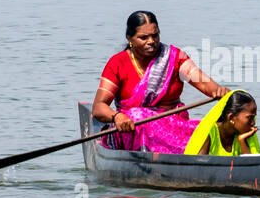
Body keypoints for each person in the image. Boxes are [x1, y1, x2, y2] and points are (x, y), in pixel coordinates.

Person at [91, 11, 228, 152]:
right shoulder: (118, 63)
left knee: (214, 129)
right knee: (138, 117)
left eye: (155, 35)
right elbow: (98, 108)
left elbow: (206, 84)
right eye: (143, 37)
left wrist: (220, 92)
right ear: (130, 39)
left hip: (175, 128)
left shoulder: (174, 57)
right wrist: (117, 117)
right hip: (132, 128)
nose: (151, 41)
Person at [184, 90, 260, 156]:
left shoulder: (244, 134)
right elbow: (199, 168)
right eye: (250, 118)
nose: (253, 123)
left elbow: (251, 164)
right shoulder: (209, 133)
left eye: (254, 117)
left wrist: (242, 140)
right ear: (231, 118)